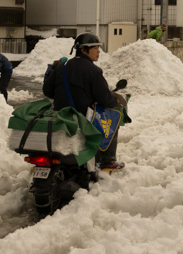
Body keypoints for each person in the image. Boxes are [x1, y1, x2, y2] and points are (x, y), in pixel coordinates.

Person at [42, 33, 125, 171]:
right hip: (83, 118)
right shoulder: (93, 70)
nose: (98, 51)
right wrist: (114, 101)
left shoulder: (62, 67)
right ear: (83, 50)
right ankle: (107, 161)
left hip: (61, 116)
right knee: (114, 117)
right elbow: (104, 98)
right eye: (95, 48)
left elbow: (48, 91)